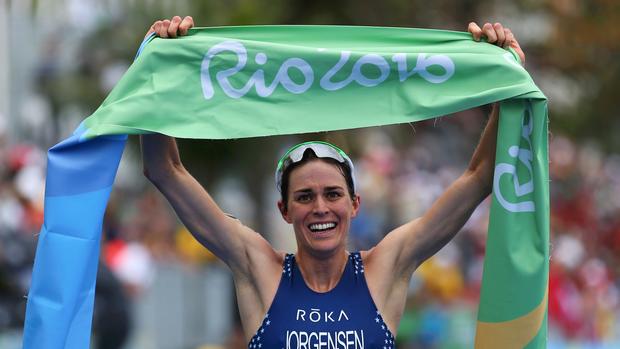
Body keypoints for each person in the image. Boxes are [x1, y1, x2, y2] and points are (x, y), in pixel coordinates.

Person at [140, 16, 525, 348]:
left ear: (354, 204)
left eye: (332, 194)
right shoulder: (259, 268)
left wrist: (506, 83)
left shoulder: (386, 267)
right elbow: (165, 170)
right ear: (285, 210)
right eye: (304, 197)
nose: (320, 207)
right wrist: (160, 71)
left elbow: (479, 177)